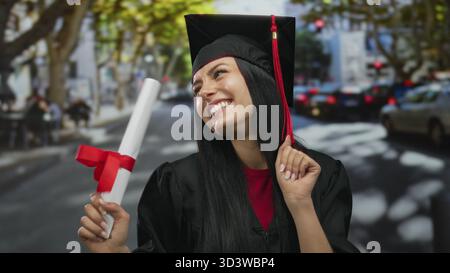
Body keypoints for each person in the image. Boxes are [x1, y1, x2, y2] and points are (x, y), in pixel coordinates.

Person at [78, 14, 358, 253]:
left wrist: (300, 204)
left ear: (260, 80)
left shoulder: (323, 176)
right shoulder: (176, 184)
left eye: (219, 73)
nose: (205, 92)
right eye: (196, 88)